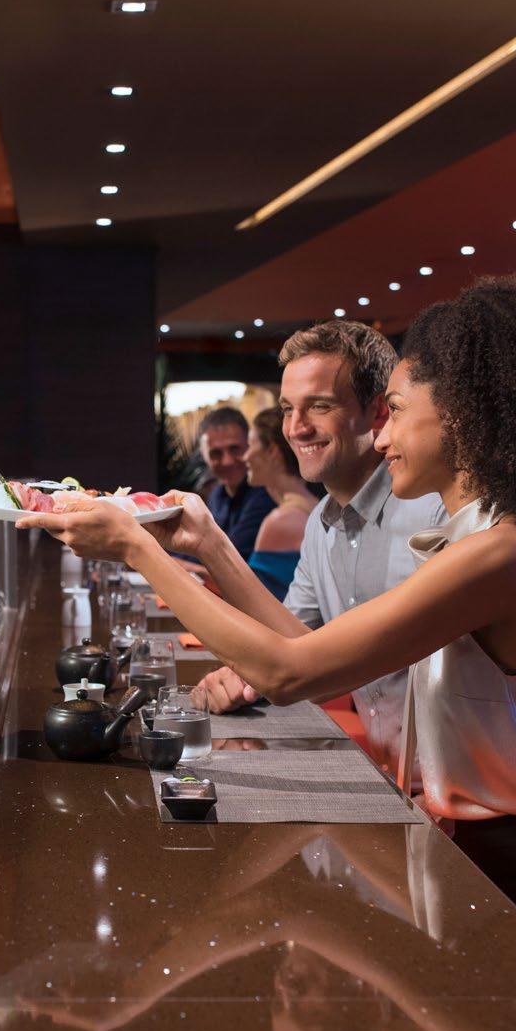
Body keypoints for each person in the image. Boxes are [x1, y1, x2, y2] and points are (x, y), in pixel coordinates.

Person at [21, 275, 516, 970]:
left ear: (463, 415)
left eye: (395, 411)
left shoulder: (504, 555)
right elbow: (314, 655)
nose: (382, 435)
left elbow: (290, 672)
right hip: (457, 843)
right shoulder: (476, 544)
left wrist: (138, 550)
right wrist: (205, 544)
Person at [164, 322, 445, 775]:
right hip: (386, 778)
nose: (296, 428)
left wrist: (164, 550)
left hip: (457, 796)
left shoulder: (433, 512)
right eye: (288, 409)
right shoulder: (319, 525)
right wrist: (245, 677)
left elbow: (303, 669)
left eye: (319, 406)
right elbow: (286, 649)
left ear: (378, 412)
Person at [241, 406, 317, 600]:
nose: (245, 456)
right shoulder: (315, 505)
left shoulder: (280, 521)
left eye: (250, 445)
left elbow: (248, 600)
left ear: (272, 451)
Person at [196, 407, 277, 559]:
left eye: (234, 449)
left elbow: (227, 557)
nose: (227, 461)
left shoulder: (267, 494)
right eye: (215, 453)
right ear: (203, 455)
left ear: (250, 446)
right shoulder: (216, 496)